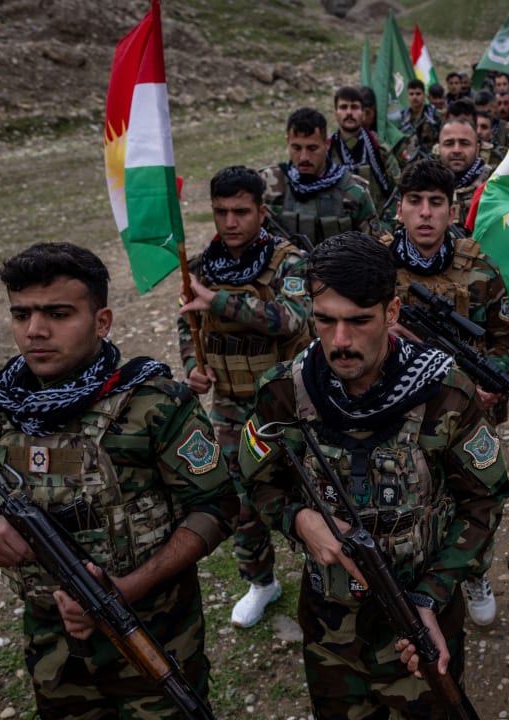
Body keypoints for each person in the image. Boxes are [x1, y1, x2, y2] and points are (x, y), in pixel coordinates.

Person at [0, 243, 237, 718]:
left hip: (153, 630)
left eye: (58, 314)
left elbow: (217, 506)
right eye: (21, 314)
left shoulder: (154, 404)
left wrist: (131, 586)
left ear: (101, 321)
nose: (35, 330)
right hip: (53, 642)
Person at [239, 233, 509, 718]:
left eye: (359, 320)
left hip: (420, 623)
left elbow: (483, 503)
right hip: (330, 626)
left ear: (391, 312)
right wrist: (299, 519)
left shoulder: (444, 393)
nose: (340, 341)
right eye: (325, 320)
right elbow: (257, 480)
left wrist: (432, 595)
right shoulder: (284, 393)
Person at [383, 158, 509, 627]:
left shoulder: (479, 266)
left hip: (466, 410)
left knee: (475, 494)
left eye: (436, 203)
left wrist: (491, 382)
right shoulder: (377, 265)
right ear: (399, 209)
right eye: (415, 202)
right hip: (395, 409)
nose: (425, 213)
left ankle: (473, 571)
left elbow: (504, 337)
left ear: (452, 211)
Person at [177, 166, 310, 629]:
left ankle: (324, 573)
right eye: (221, 212)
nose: (230, 222)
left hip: (289, 405)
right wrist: (193, 368)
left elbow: (291, 319)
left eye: (241, 211)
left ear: (261, 212)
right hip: (231, 408)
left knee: (309, 493)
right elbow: (187, 325)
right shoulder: (198, 269)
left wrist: (218, 301)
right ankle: (261, 582)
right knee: (241, 502)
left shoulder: (289, 263)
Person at [260, 107, 379, 244]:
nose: (304, 157)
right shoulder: (269, 182)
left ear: (327, 144)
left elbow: (376, 245)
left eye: (312, 148)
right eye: (296, 148)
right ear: (288, 142)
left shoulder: (354, 190)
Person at [328, 86, 401, 219]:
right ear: (336, 113)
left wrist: (387, 223)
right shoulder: (326, 150)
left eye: (354, 107)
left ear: (363, 113)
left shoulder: (378, 147)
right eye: (343, 107)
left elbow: (398, 190)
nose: (349, 112)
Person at [436, 118, 491, 225]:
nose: (456, 150)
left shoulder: (493, 185)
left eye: (464, 143)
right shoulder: (425, 183)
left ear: (477, 149)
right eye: (449, 143)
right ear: (439, 148)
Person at [400, 78, 440, 161]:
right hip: (409, 161)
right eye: (411, 94)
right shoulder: (402, 117)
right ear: (407, 96)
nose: (414, 97)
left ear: (424, 95)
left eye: (418, 94)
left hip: (431, 160)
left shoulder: (434, 115)